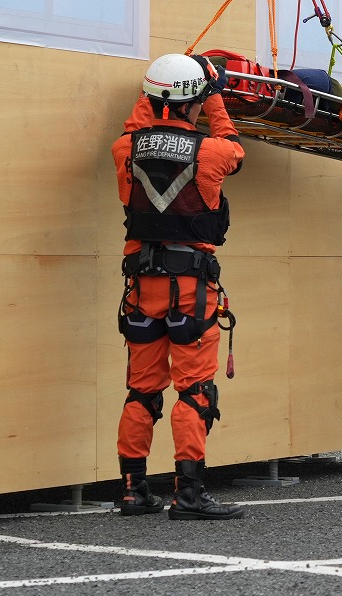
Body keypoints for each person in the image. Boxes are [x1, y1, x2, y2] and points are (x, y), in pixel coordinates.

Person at [113, 53, 245, 520]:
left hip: (142, 288)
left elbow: (139, 119)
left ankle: (133, 490)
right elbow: (233, 143)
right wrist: (214, 97)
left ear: (151, 98)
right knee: (194, 390)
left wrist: (161, 86)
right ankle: (188, 494)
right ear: (196, 101)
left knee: (142, 391)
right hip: (190, 291)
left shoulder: (125, 148)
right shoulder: (213, 151)